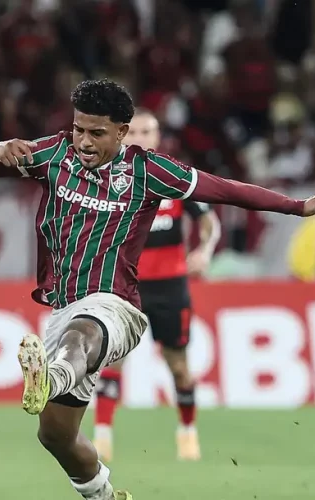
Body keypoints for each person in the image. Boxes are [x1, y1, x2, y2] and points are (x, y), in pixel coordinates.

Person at [0, 79, 315, 500]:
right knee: (54, 435)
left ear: (122, 132)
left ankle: (50, 377)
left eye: (97, 133)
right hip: (64, 308)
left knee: (83, 332)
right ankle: (105, 495)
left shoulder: (147, 170)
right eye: (79, 129)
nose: (84, 142)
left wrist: (297, 205)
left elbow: (226, 190)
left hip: (116, 307)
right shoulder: (54, 152)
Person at [93, 109, 222, 462]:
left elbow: (209, 221)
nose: (139, 136)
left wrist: (205, 250)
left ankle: (187, 432)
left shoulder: (176, 178)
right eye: (132, 131)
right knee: (112, 359)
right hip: (124, 286)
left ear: (157, 137)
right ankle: (102, 437)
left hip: (170, 286)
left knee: (178, 364)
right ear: (121, 135)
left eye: (146, 131)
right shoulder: (105, 178)